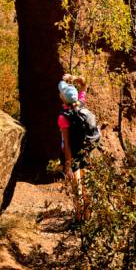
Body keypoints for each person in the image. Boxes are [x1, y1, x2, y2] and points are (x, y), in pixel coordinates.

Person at [58, 74, 90, 221]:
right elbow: (84, 85)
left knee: (76, 187)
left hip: (74, 154)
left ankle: (79, 219)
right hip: (85, 151)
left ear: (63, 98)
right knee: (86, 186)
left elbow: (67, 145)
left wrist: (68, 165)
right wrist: (75, 78)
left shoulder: (63, 117)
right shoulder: (81, 103)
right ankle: (87, 217)